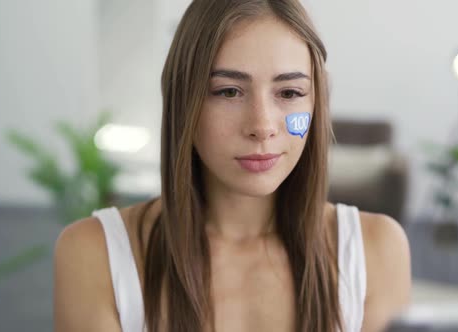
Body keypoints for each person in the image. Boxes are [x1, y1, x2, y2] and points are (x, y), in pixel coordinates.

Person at [53, 0, 411, 331]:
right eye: (228, 91)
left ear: (315, 105)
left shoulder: (376, 250)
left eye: (289, 93)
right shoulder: (94, 253)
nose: (262, 126)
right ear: (184, 101)